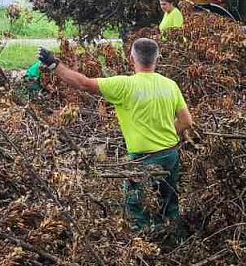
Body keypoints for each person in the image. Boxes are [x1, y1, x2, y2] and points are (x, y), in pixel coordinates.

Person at [37, 39, 194, 231]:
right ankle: (175, 241)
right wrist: (168, 134)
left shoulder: (123, 85)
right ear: (157, 59)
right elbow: (187, 122)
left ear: (131, 58)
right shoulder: (170, 85)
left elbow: (84, 84)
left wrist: (55, 65)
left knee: (138, 208)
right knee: (169, 204)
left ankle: (146, 248)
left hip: (142, 160)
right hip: (170, 155)